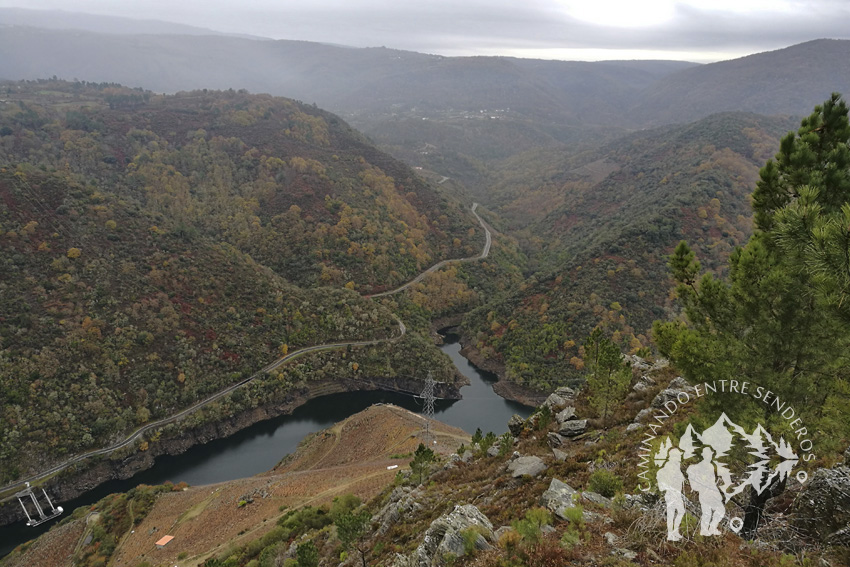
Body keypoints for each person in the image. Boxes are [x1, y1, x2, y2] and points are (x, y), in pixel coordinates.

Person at [686, 446, 725, 536]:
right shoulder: (700, 466)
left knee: (717, 510)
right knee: (709, 511)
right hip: (705, 493)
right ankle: (706, 529)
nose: (709, 456)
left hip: (712, 492)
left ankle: (710, 528)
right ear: (704, 455)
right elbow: (699, 480)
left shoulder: (710, 466)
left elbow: (711, 480)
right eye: (708, 454)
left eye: (710, 454)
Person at [656, 448, 685, 541]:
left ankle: (674, 532)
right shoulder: (669, 466)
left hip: (677, 493)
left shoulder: (676, 466)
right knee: (672, 513)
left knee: (680, 511)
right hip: (671, 493)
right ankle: (670, 534)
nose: (680, 457)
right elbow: (668, 479)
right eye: (678, 455)